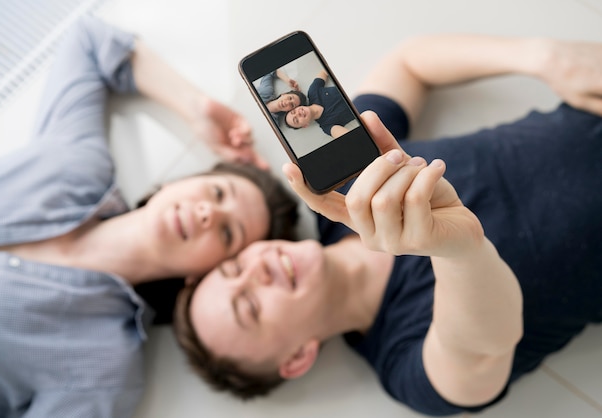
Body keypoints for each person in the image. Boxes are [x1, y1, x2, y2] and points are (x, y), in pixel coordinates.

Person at [174, 33, 602, 416]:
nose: (256, 270)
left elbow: (408, 63)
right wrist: (460, 250)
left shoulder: (340, 186)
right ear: (297, 358)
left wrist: (541, 57)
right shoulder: (407, 367)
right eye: (249, 307)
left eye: (233, 268)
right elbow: (485, 352)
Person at [0, 16, 298, 417]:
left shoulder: (105, 368)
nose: (206, 213)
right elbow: (89, 40)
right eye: (217, 193)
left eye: (229, 233)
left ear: (204, 278)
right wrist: (194, 107)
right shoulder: (77, 167)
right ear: (174, 184)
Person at [284, 69, 357, 138]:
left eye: (293, 111)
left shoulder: (312, 92)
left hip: (356, 82)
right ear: (305, 125)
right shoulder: (327, 126)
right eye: (296, 120)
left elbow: (324, 72)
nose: (298, 114)